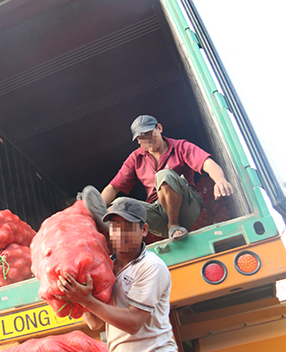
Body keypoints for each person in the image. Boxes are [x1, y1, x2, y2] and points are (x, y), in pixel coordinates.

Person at [57, 198, 178, 352]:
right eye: (115, 226)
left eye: (128, 227)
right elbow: (95, 323)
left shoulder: (150, 266)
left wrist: (86, 301)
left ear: (144, 230)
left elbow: (134, 323)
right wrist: (75, 295)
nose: (121, 233)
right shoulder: (106, 268)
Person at [94, 115, 233, 241]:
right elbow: (113, 187)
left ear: (159, 128)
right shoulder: (136, 158)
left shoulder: (180, 147)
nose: (147, 139)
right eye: (141, 137)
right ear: (138, 141)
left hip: (187, 207)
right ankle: (121, 244)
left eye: (149, 133)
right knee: (119, 205)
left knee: (164, 175)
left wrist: (220, 180)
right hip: (159, 215)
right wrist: (97, 212)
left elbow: (206, 163)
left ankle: (174, 224)